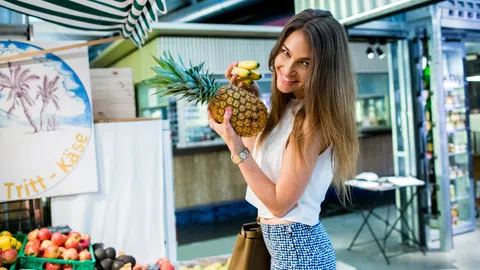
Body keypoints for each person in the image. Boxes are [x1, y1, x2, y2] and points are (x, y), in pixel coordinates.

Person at [208, 8, 358, 270]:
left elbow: (279, 204)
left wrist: (235, 146)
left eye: (305, 62)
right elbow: (261, 160)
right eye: (286, 53)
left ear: (326, 70)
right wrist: (249, 105)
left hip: (300, 253)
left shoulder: (314, 121)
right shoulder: (291, 109)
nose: (287, 69)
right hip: (283, 248)